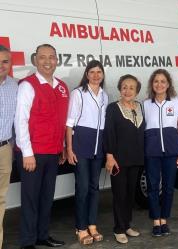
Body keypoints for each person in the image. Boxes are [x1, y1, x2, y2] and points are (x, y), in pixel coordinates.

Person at [14, 44, 68, 249]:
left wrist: (62, 146)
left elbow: (61, 120)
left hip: (53, 152)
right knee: (30, 199)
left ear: (57, 60)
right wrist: (27, 153)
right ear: (35, 60)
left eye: (52, 57)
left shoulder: (62, 86)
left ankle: (42, 236)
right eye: (43, 57)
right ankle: (28, 241)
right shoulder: (27, 85)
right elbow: (21, 121)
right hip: (32, 153)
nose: (47, 61)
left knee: (47, 198)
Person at [65, 60, 108, 245]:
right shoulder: (78, 93)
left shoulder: (105, 95)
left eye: (99, 72)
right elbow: (69, 124)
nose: (96, 75)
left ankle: (92, 224)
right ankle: (81, 227)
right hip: (81, 145)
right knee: (82, 188)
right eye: (92, 72)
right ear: (86, 74)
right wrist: (69, 148)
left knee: (94, 188)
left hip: (98, 147)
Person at [143, 69, 178, 237]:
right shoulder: (146, 104)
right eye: (156, 81)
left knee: (168, 187)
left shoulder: (176, 102)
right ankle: (155, 220)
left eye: (163, 81)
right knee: (153, 186)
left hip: (172, 151)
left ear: (168, 84)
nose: (159, 84)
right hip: (151, 151)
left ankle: (164, 219)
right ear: (152, 85)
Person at [104, 74, 143, 244]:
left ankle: (127, 225)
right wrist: (110, 156)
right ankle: (118, 229)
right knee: (119, 194)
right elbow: (109, 133)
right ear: (120, 89)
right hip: (118, 159)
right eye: (124, 87)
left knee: (130, 194)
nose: (127, 90)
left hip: (136, 158)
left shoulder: (140, 106)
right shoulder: (113, 108)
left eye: (131, 87)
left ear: (137, 91)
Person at [0, 45, 18, 248]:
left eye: (5, 61)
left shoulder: (15, 86)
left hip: (4, 150)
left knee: (0, 200)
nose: (1, 65)